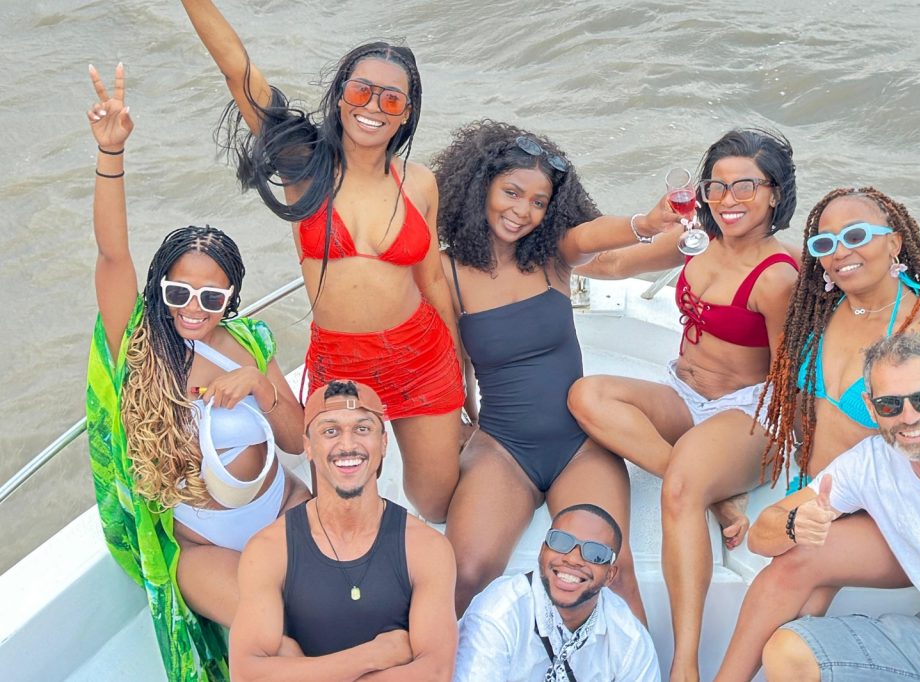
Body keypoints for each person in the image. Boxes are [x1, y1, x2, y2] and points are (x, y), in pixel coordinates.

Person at [716, 187, 920, 681]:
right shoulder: (820, 315)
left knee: (797, 568)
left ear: (895, 242)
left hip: (888, 512)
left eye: (857, 236)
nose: (841, 252)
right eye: (825, 244)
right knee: (801, 608)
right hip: (824, 493)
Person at [181, 0, 463, 522]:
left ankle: (489, 457)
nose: (373, 106)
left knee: (435, 504)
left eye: (391, 98)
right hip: (341, 364)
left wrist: (464, 379)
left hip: (422, 355)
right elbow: (239, 73)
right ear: (339, 97)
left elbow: (434, 284)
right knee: (340, 515)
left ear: (406, 112)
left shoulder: (420, 182)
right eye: (360, 91)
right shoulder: (304, 166)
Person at [83, 64, 308, 680]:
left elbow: (297, 440)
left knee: (350, 611)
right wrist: (111, 152)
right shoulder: (140, 348)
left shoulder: (249, 341)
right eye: (179, 292)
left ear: (230, 299)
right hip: (207, 547)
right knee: (278, 644)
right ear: (160, 287)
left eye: (211, 297)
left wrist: (259, 386)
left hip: (284, 507)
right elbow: (111, 254)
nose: (192, 309)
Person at [568, 129, 799, 680]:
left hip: (748, 411)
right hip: (684, 393)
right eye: (716, 185)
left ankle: (685, 663)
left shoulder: (778, 277)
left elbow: (790, 376)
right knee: (587, 396)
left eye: (745, 186)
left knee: (680, 490)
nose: (727, 199)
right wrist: (541, 255)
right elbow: (614, 265)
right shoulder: (695, 240)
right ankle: (719, 499)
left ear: (775, 194)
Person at [432, 120, 681, 618]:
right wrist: (464, 418)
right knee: (464, 575)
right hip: (503, 448)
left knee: (613, 572)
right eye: (512, 192)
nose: (523, 211)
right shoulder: (447, 271)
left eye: (539, 202)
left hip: (580, 447)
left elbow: (590, 235)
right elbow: (451, 359)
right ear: (481, 187)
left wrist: (646, 223)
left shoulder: (552, 256)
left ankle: (638, 661)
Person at [754, 335, 920, 681]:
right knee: (788, 652)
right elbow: (760, 534)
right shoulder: (870, 464)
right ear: (871, 407)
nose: (909, 417)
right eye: (890, 405)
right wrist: (794, 524)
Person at [229, 379, 457, 681]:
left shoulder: (426, 549)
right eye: (330, 431)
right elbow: (247, 675)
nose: (347, 445)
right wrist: (372, 655)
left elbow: (436, 672)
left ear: (383, 443)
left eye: (362, 429)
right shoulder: (269, 550)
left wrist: (298, 672)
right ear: (308, 446)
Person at [455, 503, 660, 681]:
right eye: (561, 541)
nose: (573, 559)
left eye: (595, 553)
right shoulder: (497, 613)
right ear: (542, 551)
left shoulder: (629, 636)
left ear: (610, 575)